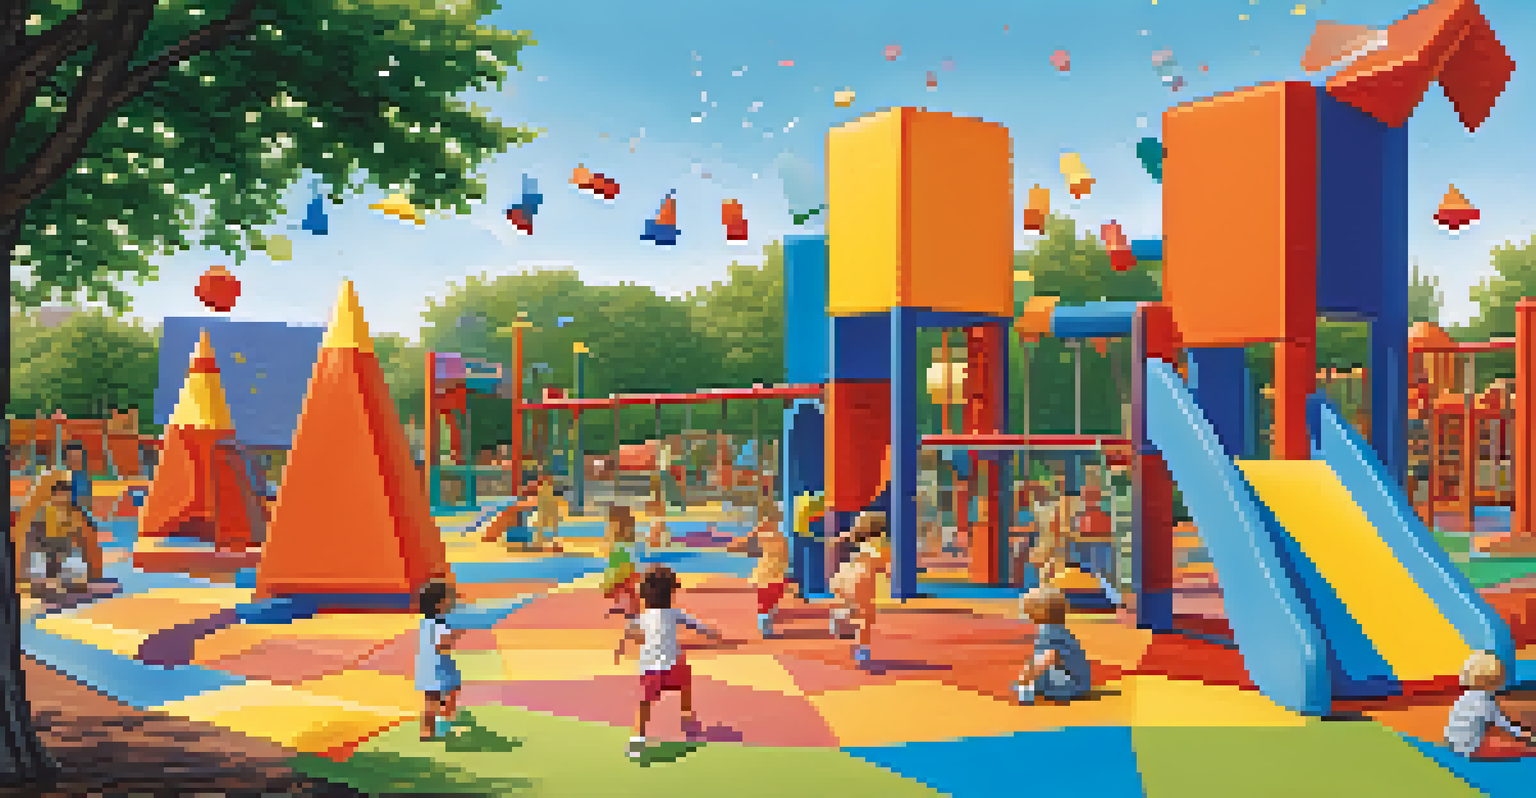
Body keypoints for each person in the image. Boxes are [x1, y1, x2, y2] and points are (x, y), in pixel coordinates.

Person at [613, 565, 723, 759]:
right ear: (671, 593)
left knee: (644, 703)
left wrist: (620, 650)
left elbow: (629, 634)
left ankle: (637, 739)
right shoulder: (675, 613)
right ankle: (687, 717)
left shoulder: (643, 617)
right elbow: (698, 626)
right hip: (672, 664)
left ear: (645, 595)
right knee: (685, 684)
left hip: (650, 668)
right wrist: (714, 634)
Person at [1444, 650, 1536, 758]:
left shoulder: (1466, 697)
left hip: (1454, 745)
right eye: (1499, 680)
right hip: (1469, 749)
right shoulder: (1485, 701)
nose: (1501, 684)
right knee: (1515, 749)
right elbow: (1503, 723)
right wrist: (1525, 734)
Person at [828, 511, 891, 664]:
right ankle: (862, 648)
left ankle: (842, 616)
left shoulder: (863, 541)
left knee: (859, 612)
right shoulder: (880, 543)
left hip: (851, 577)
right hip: (861, 580)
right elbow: (883, 564)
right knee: (865, 616)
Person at [1014, 585, 1093, 705]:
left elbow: (1049, 657)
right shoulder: (1056, 629)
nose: (1028, 614)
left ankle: (1032, 690)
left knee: (1039, 673)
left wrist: (1029, 675)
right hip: (1079, 682)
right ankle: (1036, 686)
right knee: (1039, 670)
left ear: (1042, 612)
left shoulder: (1050, 631)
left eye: (1030, 610)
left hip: (1072, 684)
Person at [727, 493, 790, 637]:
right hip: (769, 575)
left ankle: (766, 626)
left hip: (773, 575)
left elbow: (743, 546)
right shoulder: (773, 535)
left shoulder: (776, 535)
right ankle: (765, 628)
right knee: (767, 603)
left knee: (769, 603)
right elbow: (743, 546)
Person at [415, 579, 465, 740]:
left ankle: (427, 730)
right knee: (446, 696)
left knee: (432, 700)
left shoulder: (426, 622)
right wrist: (455, 635)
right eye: (449, 599)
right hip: (439, 668)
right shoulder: (438, 624)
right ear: (439, 604)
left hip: (427, 667)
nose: (452, 603)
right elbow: (441, 644)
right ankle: (443, 726)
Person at [601, 505, 643, 618]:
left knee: (625, 588)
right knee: (622, 588)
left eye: (612, 522)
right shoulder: (619, 539)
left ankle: (630, 609)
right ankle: (623, 605)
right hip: (623, 566)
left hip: (625, 568)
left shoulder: (623, 540)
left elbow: (627, 558)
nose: (610, 526)